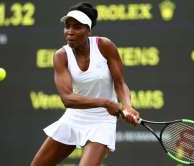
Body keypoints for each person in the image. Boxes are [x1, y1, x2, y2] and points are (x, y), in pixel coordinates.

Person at [31, 2, 140, 166]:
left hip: (102, 121)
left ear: (88, 30)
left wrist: (127, 105)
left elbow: (120, 83)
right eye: (67, 26)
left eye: (76, 27)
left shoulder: (105, 46)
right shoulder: (61, 56)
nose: (69, 32)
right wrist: (106, 102)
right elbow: (67, 99)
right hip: (74, 118)